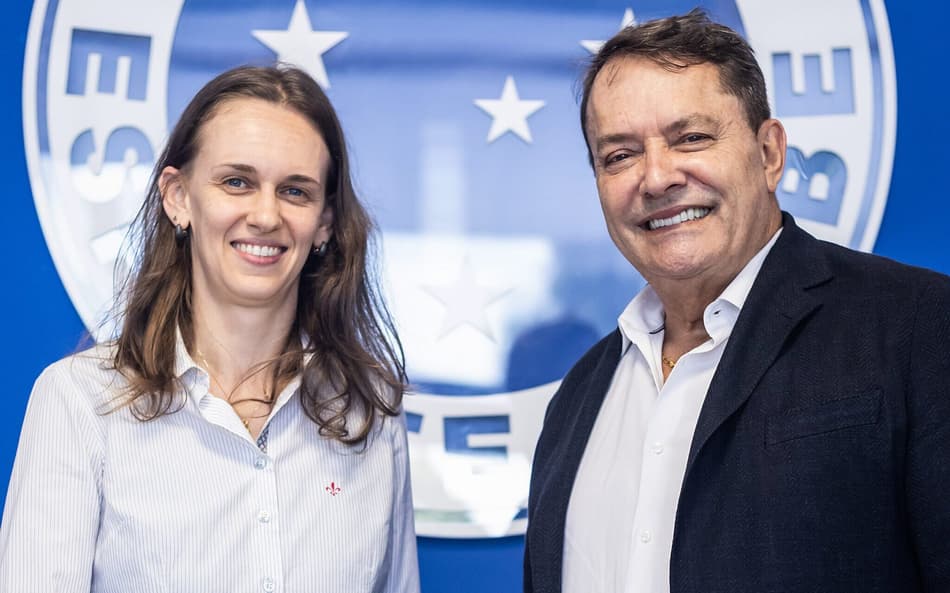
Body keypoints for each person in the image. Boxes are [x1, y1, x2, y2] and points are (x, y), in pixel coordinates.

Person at [525, 10, 950, 593]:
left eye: (691, 138)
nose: (656, 178)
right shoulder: (576, 398)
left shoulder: (920, 327)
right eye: (619, 154)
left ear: (770, 152)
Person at [0, 65, 419, 592]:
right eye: (237, 182)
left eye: (295, 191)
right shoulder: (80, 403)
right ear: (178, 197)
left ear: (325, 224)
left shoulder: (371, 409)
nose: (266, 215)